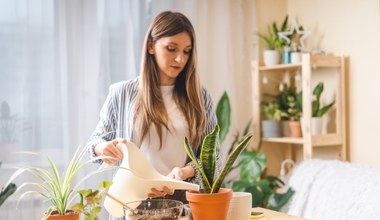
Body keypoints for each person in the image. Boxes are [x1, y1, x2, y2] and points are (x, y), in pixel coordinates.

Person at [88, 10, 221, 217]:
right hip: (131, 205)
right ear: (151, 46)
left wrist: (184, 173)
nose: (180, 58)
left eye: (187, 51)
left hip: (179, 206)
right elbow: (94, 143)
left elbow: (215, 158)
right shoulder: (122, 93)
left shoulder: (200, 97)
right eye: (171, 48)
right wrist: (102, 147)